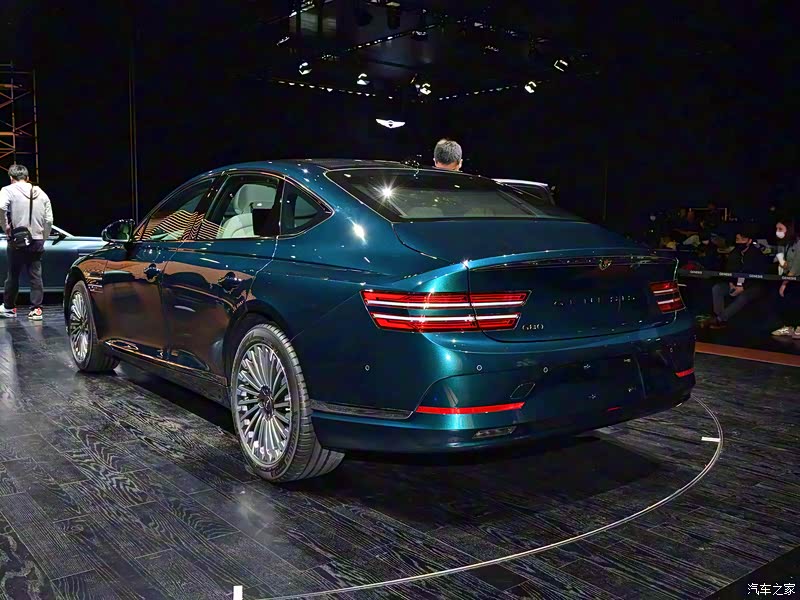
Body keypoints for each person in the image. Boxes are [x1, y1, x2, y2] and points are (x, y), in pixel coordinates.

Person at [0, 164, 53, 320]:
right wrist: (43, 236)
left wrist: (5, 227)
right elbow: (49, 220)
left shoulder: (7, 190)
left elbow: (1, 207)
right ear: (28, 177)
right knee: (35, 275)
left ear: (11, 178)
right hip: (37, 239)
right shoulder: (41, 193)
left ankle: (9, 308)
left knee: (13, 275)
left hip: (17, 239)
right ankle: (37, 309)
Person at [707, 224, 770, 329]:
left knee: (743, 297)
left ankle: (719, 319)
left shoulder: (757, 255)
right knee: (717, 288)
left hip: (753, 285)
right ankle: (720, 318)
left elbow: (757, 275)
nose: (739, 242)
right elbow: (729, 271)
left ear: (749, 241)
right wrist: (731, 284)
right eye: (737, 239)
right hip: (735, 283)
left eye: (742, 239)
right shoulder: (734, 253)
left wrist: (743, 287)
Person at [771, 218, 800, 338]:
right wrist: (780, 259)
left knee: (795, 299)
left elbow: (796, 266)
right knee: (783, 302)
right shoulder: (785, 243)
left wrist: (784, 284)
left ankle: (799, 326)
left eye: (780, 229)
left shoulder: (799, 243)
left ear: (788, 229)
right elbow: (786, 265)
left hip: (796, 279)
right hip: (787, 276)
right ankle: (788, 326)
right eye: (776, 229)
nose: (777, 231)